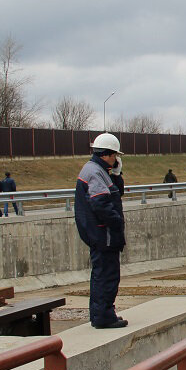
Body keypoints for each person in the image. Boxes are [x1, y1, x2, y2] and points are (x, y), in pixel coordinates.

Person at [75, 132, 127, 329]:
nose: (116, 160)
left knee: (102, 274)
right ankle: (104, 316)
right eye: (115, 156)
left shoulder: (99, 170)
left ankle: (101, 314)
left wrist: (116, 174)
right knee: (107, 275)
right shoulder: (95, 172)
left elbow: (117, 192)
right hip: (103, 234)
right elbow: (101, 204)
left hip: (101, 234)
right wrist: (116, 224)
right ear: (107, 154)